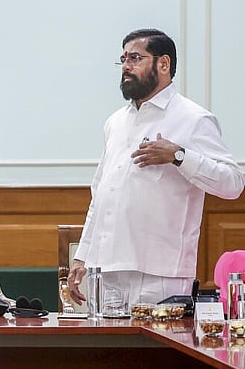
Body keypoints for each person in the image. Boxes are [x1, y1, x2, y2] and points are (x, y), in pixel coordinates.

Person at [69, 29, 244, 306]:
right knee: (102, 351)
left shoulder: (193, 118)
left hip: (160, 274)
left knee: (152, 352)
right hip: (105, 271)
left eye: (136, 58)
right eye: (123, 58)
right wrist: (83, 255)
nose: (126, 66)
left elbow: (233, 183)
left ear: (163, 64)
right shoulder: (115, 122)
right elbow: (101, 196)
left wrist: (179, 156)